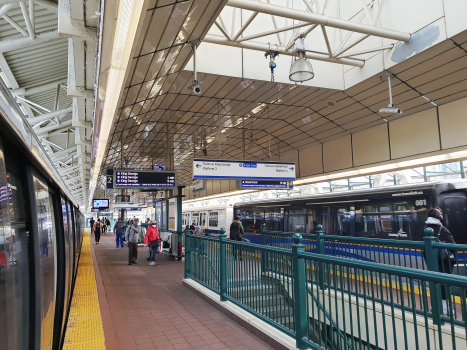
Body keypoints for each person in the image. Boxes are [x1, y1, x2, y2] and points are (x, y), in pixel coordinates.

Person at [423, 207, 456, 315]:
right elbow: (453, 246)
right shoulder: (442, 230)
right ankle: (444, 309)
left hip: (431, 261)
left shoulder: (425, 228)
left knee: (434, 282)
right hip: (443, 262)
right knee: (444, 284)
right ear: (439, 217)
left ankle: (436, 306)